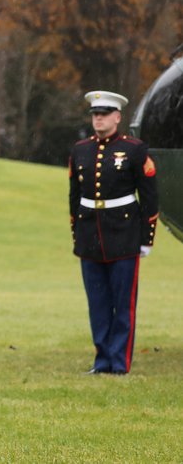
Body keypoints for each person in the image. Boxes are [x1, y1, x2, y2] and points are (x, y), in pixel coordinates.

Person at [68, 90, 158, 375]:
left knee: (122, 303)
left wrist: (146, 238)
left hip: (124, 235)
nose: (98, 119)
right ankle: (102, 360)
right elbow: (74, 196)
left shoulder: (134, 149)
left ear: (117, 117)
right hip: (89, 236)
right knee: (97, 303)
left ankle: (119, 362)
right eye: (95, 114)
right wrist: (76, 232)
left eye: (104, 114)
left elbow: (149, 197)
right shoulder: (80, 150)